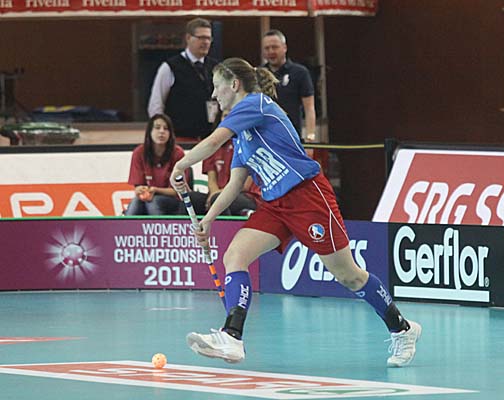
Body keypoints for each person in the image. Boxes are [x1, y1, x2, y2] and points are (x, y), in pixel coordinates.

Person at [170, 57, 421, 368]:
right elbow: (234, 184)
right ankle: (232, 336)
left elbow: (211, 142)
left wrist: (181, 164)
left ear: (234, 84)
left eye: (216, 86)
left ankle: (402, 329)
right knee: (235, 256)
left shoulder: (255, 104)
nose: (213, 93)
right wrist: (208, 220)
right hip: (275, 206)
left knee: (349, 276)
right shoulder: (242, 136)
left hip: (307, 197)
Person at [147, 18, 218, 141]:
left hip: (210, 137)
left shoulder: (215, 67)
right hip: (180, 137)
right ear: (188, 38)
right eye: (201, 38)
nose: (206, 42)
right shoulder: (170, 67)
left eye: (208, 38)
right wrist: (162, 133)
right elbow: (156, 105)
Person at [125, 114, 194, 216]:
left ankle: (160, 227)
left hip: (173, 200)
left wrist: (155, 190)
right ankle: (125, 226)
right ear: (150, 131)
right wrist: (140, 190)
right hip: (148, 197)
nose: (161, 131)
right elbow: (138, 186)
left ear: (170, 133)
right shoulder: (139, 152)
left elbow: (177, 191)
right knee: (135, 202)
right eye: (157, 128)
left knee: (153, 203)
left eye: (166, 129)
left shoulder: (178, 153)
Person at [262, 29, 317, 142]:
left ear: (284, 48)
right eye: (267, 48)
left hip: (291, 138)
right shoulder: (259, 74)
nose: (271, 51)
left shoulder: (300, 72)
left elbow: (309, 108)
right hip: (264, 139)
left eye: (274, 47)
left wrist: (310, 138)